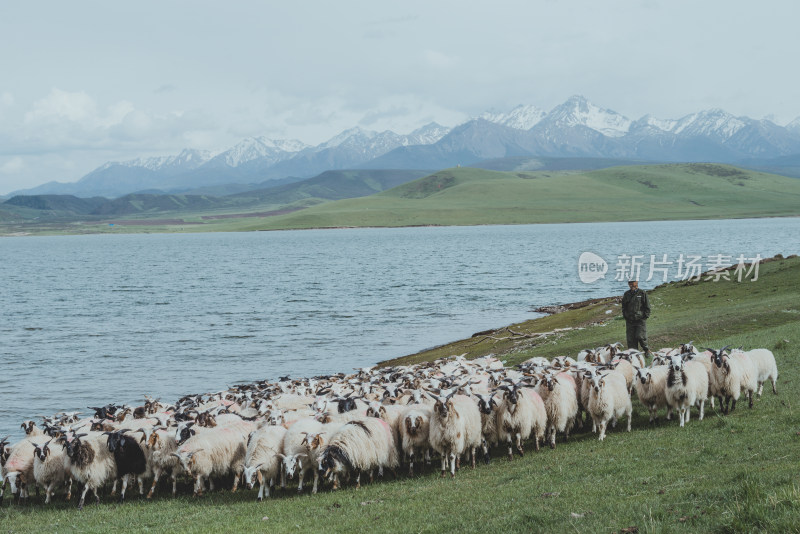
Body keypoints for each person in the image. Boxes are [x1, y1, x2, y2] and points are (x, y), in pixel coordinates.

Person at [621, 279, 651, 356]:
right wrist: (626, 316)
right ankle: (634, 354)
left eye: (633, 283)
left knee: (641, 336)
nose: (631, 285)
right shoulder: (626, 294)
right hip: (630, 320)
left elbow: (647, 307)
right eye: (630, 284)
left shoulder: (642, 293)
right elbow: (623, 307)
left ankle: (646, 350)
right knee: (631, 339)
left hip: (640, 320)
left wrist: (644, 317)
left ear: (637, 283)